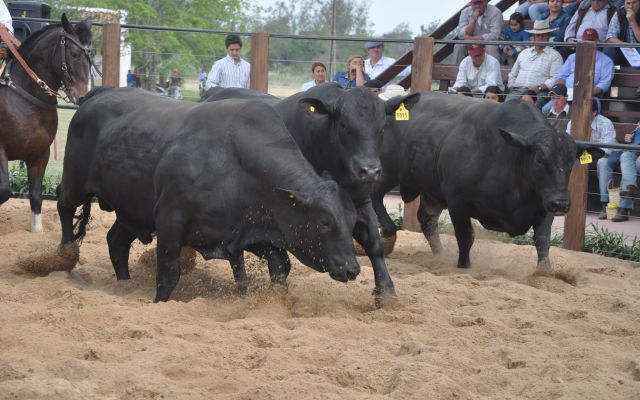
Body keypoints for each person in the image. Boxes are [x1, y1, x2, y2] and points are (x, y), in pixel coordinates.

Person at [566, 97, 618, 219]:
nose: (579, 112)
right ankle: (568, 202)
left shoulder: (605, 123)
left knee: (602, 163)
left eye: (583, 109)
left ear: (594, 112)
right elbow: (567, 144)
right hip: (586, 155)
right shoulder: (572, 122)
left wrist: (583, 159)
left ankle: (605, 204)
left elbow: (606, 151)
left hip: (607, 156)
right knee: (570, 162)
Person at [507, 19, 564, 105]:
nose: (540, 37)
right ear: (534, 37)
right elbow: (513, 74)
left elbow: (556, 77)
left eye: (543, 35)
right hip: (517, 90)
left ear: (548, 36)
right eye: (538, 35)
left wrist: (540, 87)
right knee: (506, 107)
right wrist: (511, 86)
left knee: (529, 107)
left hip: (539, 92)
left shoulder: (555, 55)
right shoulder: (524, 52)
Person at [555, 28, 614, 98]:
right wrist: (561, 92)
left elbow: (604, 84)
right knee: (548, 105)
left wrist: (585, 94)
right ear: (582, 41)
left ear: (597, 42)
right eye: (586, 41)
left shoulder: (606, 61)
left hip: (589, 97)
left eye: (591, 41)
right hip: (566, 94)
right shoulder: (572, 57)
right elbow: (561, 77)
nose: (588, 44)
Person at [452, 0, 502, 64]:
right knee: (459, 46)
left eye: (480, 3)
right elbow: (461, 35)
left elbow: (495, 35)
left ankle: (493, 69)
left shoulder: (495, 12)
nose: (478, 6)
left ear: (486, 2)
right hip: (470, 44)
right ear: (471, 4)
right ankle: (457, 69)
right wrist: (473, 20)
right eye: (475, 3)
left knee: (491, 47)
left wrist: (474, 38)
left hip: (487, 43)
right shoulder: (465, 12)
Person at [612, 125, 640, 221]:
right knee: (625, 156)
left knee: (632, 169)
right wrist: (630, 137)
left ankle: (624, 209)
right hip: (634, 152)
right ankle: (631, 189)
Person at [606, 0, 640, 65]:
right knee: (609, 48)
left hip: (638, 48)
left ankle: (636, 68)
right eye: (628, 3)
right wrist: (625, 45)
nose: (631, 6)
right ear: (624, 4)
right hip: (623, 48)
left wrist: (632, 21)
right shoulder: (619, 12)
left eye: (634, 3)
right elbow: (611, 37)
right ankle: (613, 68)